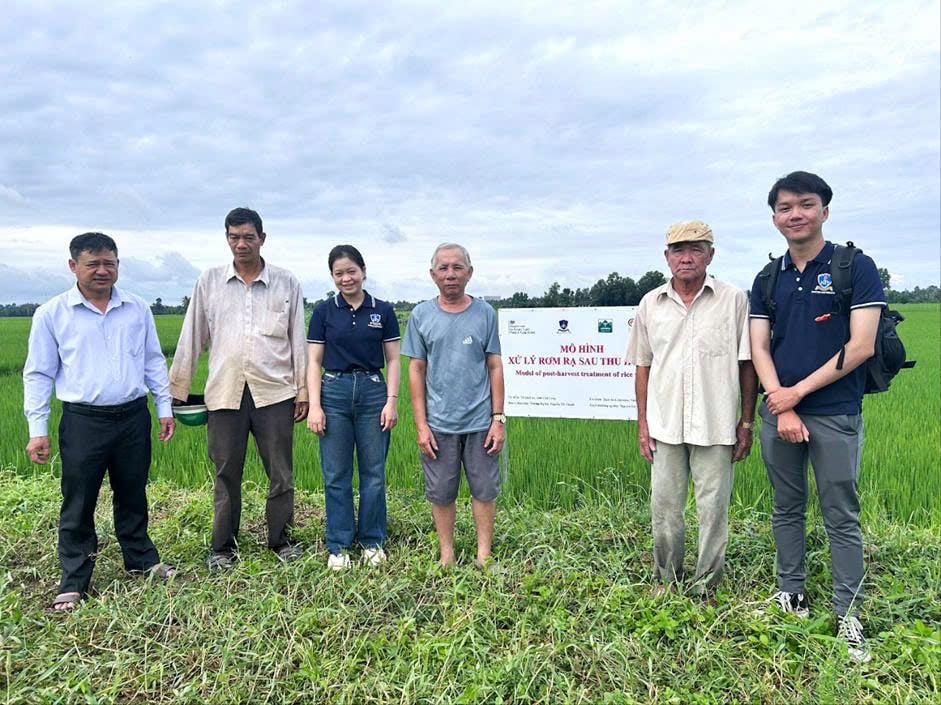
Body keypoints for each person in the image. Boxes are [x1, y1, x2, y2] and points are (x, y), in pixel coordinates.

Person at [750, 171, 884, 662]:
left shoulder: (855, 267)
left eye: (806, 204)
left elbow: (862, 345)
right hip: (778, 411)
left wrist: (795, 395)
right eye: (785, 208)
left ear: (824, 211)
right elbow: (759, 346)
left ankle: (849, 613)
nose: (796, 214)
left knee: (840, 514)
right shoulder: (768, 277)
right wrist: (779, 400)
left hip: (834, 411)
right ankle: (792, 594)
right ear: (774, 218)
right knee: (786, 506)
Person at [23, 232, 176, 611]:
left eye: (110, 263)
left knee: (133, 491)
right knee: (79, 499)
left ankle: (140, 559)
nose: (103, 271)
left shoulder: (137, 308)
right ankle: (75, 579)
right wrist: (37, 430)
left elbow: (153, 360)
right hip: (83, 421)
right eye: (93, 264)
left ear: (118, 265)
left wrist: (164, 406)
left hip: (132, 416)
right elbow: (38, 374)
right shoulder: (52, 314)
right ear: (73, 266)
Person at [169, 207, 308, 569]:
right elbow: (192, 335)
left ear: (262, 238)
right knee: (226, 473)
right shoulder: (210, 281)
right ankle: (222, 548)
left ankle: (281, 541)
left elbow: (298, 339)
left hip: (275, 392)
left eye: (248, 237)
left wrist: (304, 390)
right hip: (224, 392)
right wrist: (177, 389)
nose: (241, 244)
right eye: (234, 237)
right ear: (227, 238)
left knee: (280, 473)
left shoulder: (286, 282)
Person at [625, 221, 757, 596]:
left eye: (696, 249)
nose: (686, 257)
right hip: (665, 425)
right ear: (666, 256)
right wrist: (643, 424)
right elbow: (643, 365)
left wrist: (746, 423)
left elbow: (746, 363)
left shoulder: (733, 300)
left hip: (716, 424)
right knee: (664, 508)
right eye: (678, 250)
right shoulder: (651, 303)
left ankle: (706, 586)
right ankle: (665, 579)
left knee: (713, 510)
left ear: (710, 255)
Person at [402, 243, 505, 568]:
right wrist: (421, 425)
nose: (450, 274)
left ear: (469, 273)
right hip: (438, 423)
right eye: (443, 268)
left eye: (457, 267)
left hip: (480, 422)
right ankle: (447, 553)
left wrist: (498, 418)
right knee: (441, 491)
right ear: (433, 274)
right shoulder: (421, 315)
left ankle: (484, 553)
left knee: (484, 488)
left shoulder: (485, 313)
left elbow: (494, 365)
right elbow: (416, 370)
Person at [306, 245, 401, 570]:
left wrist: (391, 401)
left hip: (374, 392)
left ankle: (372, 541)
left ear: (363, 271)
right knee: (336, 474)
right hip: (334, 392)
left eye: (351, 271)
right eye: (339, 273)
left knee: (373, 473)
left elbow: (393, 360)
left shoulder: (382, 311)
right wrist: (315, 406)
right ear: (332, 276)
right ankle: (340, 545)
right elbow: (314, 361)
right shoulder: (324, 312)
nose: (346, 278)